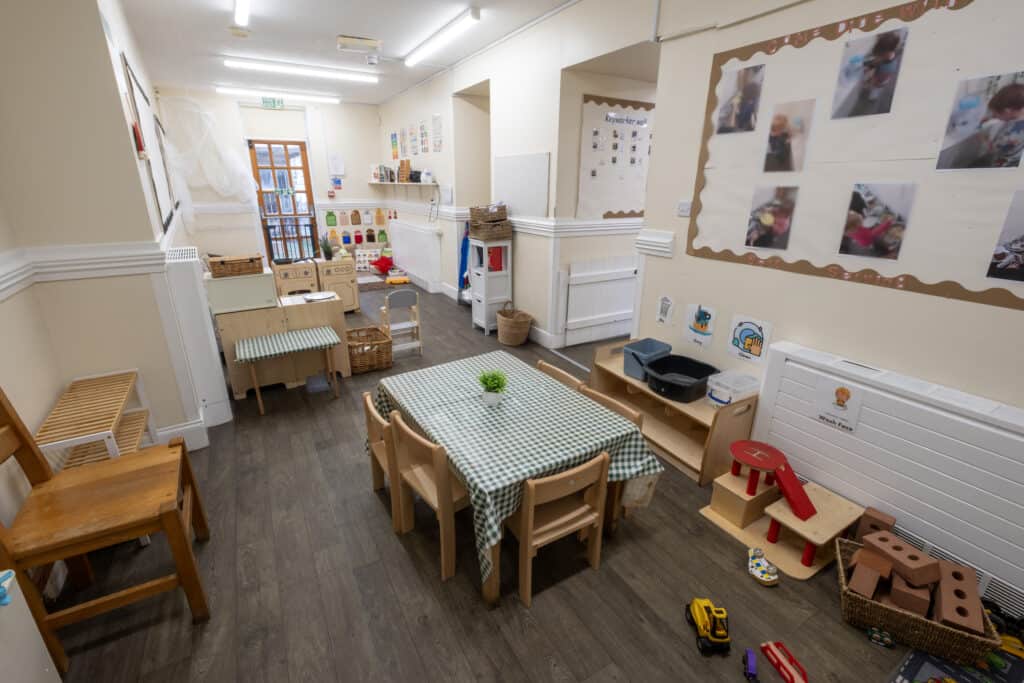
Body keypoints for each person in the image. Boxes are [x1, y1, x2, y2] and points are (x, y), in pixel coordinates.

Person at [848, 31, 903, 117]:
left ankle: (873, 98)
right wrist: (868, 66)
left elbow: (878, 80)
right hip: (880, 73)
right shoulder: (889, 55)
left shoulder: (888, 68)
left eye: (879, 55)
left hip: (881, 81)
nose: (877, 56)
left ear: (885, 53)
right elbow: (876, 61)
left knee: (875, 91)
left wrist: (870, 81)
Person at [975, 83, 1024, 168]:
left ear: (1007, 111)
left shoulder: (1010, 135)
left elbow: (992, 149)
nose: (994, 116)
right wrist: (992, 116)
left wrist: (982, 136)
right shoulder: (1018, 112)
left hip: (1006, 164)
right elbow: (1003, 116)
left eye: (995, 114)